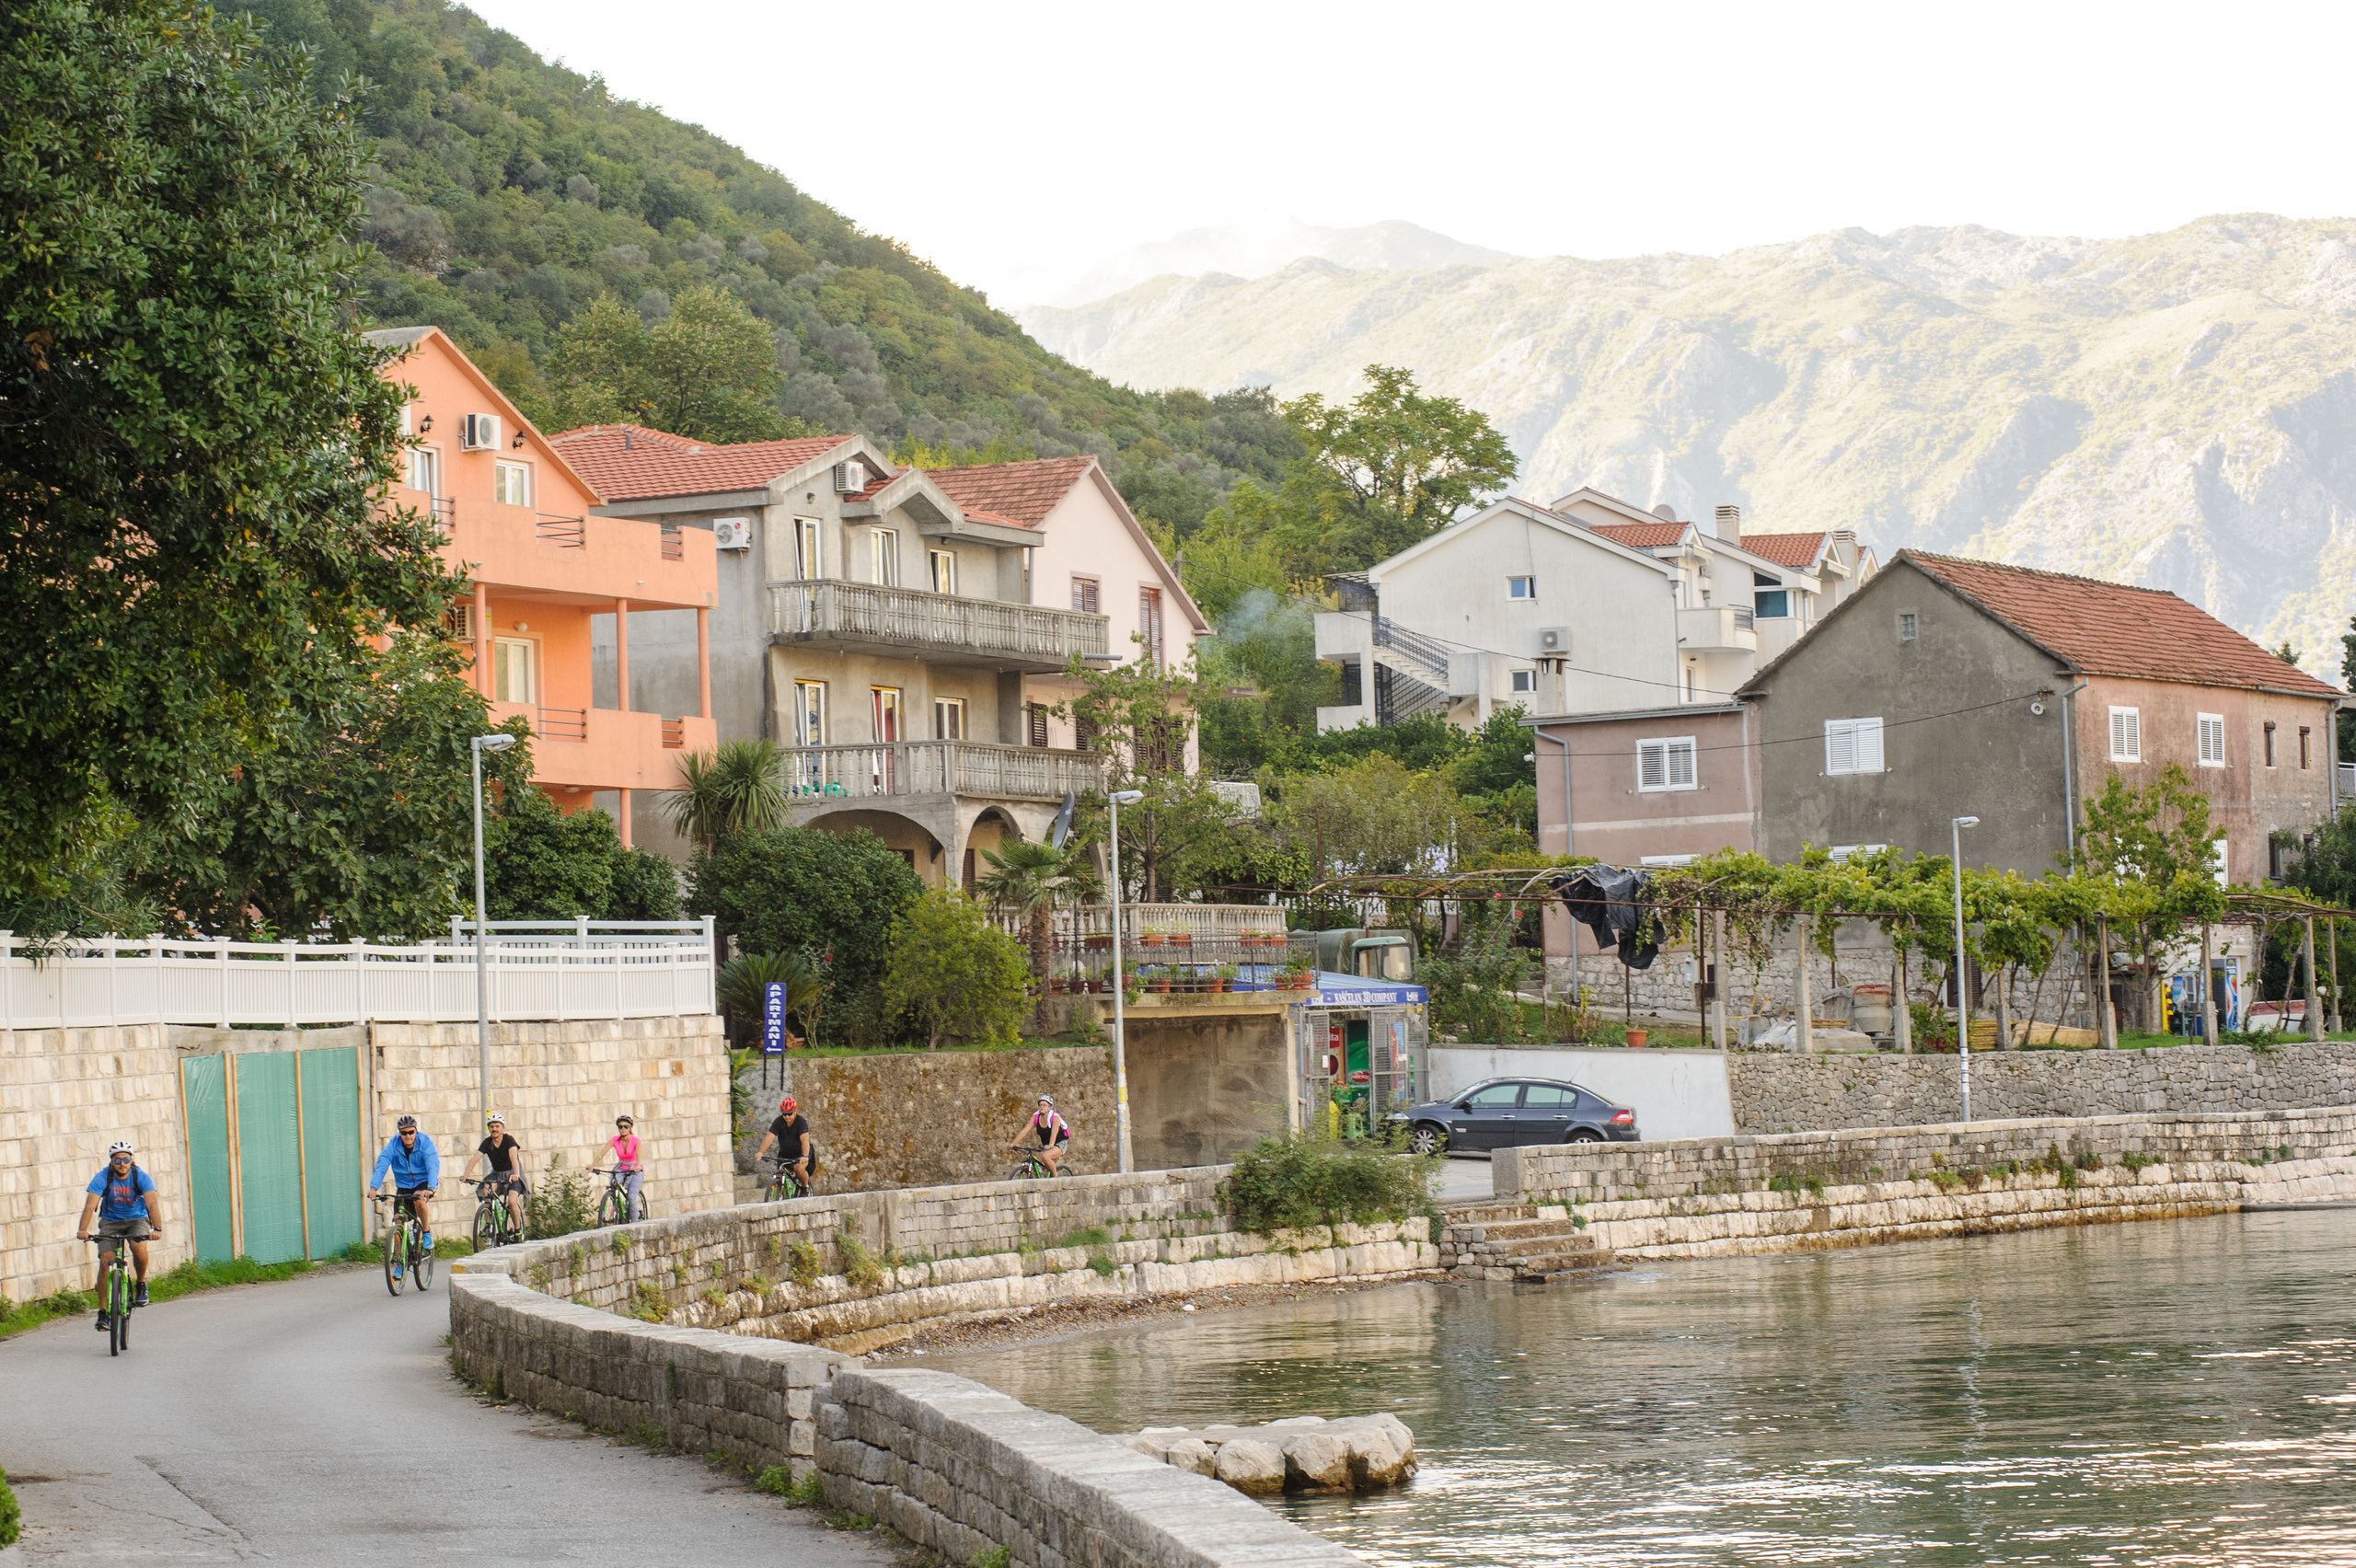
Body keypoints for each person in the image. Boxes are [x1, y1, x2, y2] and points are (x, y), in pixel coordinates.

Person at [76, 1140, 163, 1329]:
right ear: (111, 1163)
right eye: (117, 1160)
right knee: (105, 1260)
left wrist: (156, 1228)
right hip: (110, 1222)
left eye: (125, 1159)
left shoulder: (141, 1177)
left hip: (137, 1220)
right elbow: (90, 1206)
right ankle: (103, 1313)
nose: (122, 1164)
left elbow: (152, 1204)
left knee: (138, 1246)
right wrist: (82, 1230)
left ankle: (140, 1283)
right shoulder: (102, 1178)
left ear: (132, 1160)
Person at [371, 1114, 441, 1262]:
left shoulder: (425, 1143)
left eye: (411, 1132)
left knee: (418, 1200)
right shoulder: (393, 1145)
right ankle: (399, 1261)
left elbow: (433, 1165)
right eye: (404, 1133)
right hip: (403, 1185)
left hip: (423, 1182)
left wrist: (431, 1188)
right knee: (398, 1221)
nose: (408, 1136)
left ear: (416, 1131)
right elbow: (382, 1164)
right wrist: (373, 1187)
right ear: (399, 1133)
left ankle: (426, 1232)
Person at [459, 1113, 527, 1234]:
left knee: (512, 1201)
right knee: (486, 1191)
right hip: (497, 1174)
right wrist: (465, 1175)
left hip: (512, 1174)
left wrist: (516, 1174)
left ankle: (517, 1230)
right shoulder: (487, 1142)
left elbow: (514, 1158)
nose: (494, 1129)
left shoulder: (509, 1141)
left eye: (497, 1126)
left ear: (503, 1128)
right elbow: (475, 1158)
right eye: (491, 1127)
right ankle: (488, 1224)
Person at [753, 1096, 816, 1193]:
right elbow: (769, 1137)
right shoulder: (778, 1122)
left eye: (789, 1114)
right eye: (784, 1114)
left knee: (798, 1169)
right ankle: (779, 1198)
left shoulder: (801, 1122)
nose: (787, 1117)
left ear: (794, 1112)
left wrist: (805, 1156)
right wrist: (761, 1152)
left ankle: (805, 1187)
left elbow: (805, 1140)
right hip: (785, 1153)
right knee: (779, 1175)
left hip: (801, 1153)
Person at [599, 1114, 645, 1222]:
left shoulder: (636, 1140)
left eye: (626, 1127)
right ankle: (619, 1208)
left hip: (634, 1169)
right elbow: (602, 1154)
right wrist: (592, 1165)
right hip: (621, 1168)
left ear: (630, 1128)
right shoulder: (615, 1140)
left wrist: (638, 1166)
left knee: (631, 1196)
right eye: (620, 1127)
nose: (623, 1129)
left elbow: (639, 1156)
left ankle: (635, 1224)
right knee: (614, 1184)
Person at [1009, 1094, 1071, 1174]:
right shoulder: (1036, 1117)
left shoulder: (1055, 1118)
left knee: (1046, 1156)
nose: (1042, 1107)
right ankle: (1042, 1178)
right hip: (1046, 1144)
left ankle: (1055, 1181)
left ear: (1049, 1107)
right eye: (1040, 1105)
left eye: (1044, 1105)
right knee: (1038, 1160)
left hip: (1060, 1143)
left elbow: (1054, 1133)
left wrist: (1051, 1145)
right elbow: (1025, 1131)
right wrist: (1013, 1143)